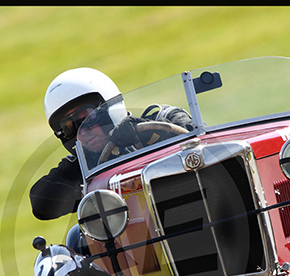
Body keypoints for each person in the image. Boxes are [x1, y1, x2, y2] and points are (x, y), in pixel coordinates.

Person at [30, 67, 193, 220]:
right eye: (68, 127)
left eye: (87, 117)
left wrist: (147, 136)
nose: (83, 131)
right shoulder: (83, 167)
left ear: (110, 107)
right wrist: (90, 185)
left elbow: (199, 141)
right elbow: (40, 202)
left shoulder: (164, 120)